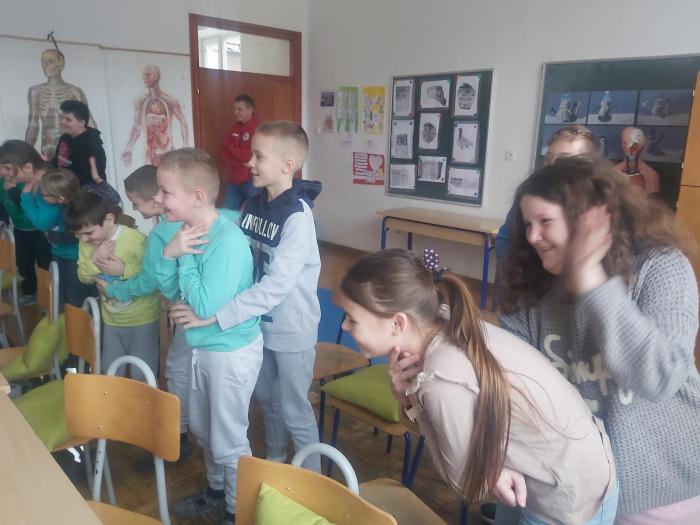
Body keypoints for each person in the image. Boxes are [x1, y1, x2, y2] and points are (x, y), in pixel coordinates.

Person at [341, 249, 618, 524]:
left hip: (567, 497)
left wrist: (413, 399)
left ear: (397, 323)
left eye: (352, 319)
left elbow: (466, 484)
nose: (343, 326)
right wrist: (406, 397)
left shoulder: (438, 380)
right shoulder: (447, 319)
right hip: (571, 469)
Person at [499, 156, 700, 523]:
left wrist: (593, 283)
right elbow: (509, 388)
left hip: (660, 492)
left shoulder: (662, 267)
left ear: (589, 219)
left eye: (545, 222)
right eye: (527, 224)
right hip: (572, 490)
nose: (532, 237)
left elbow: (660, 377)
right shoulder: (530, 289)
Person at [171, 122, 323, 473]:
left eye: (259, 156)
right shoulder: (253, 205)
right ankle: (276, 458)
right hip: (254, 324)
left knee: (294, 408)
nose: (249, 162)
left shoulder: (298, 217)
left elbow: (275, 286)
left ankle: (314, 478)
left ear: (287, 165)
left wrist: (217, 316)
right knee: (267, 398)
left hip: (291, 329)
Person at [154, 148, 261, 525]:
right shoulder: (186, 234)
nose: (158, 199)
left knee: (228, 438)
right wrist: (169, 254)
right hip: (202, 346)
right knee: (202, 429)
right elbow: (172, 293)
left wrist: (182, 257)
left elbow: (201, 305)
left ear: (197, 196)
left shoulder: (226, 241)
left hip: (230, 352)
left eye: (165, 191)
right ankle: (217, 491)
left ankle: (237, 510)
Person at [66, 192, 160, 380]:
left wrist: (124, 269)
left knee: (142, 373)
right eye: (78, 235)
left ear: (108, 220)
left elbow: (154, 276)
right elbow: (83, 277)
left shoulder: (136, 240)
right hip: (111, 319)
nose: (83, 239)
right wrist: (94, 261)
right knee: (110, 371)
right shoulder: (86, 244)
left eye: (88, 233)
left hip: (142, 319)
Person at [494, 125, 597, 261]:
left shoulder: (598, 203)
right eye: (548, 158)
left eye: (563, 159)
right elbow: (503, 242)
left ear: (587, 165)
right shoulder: (530, 198)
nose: (552, 165)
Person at [20, 167, 95, 308]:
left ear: (60, 198)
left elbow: (41, 224)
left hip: (73, 259)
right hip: (61, 254)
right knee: (63, 291)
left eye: (43, 193)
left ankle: (81, 319)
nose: (40, 194)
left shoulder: (54, 209)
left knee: (75, 296)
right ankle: (72, 315)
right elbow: (30, 215)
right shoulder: (56, 201)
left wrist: (26, 197)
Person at [0, 141, 52, 305]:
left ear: (28, 167)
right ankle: (33, 295)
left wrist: (15, 192)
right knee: (24, 264)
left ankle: (50, 300)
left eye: (8, 170)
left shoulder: (44, 183)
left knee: (47, 267)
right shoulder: (24, 180)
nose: (5, 175)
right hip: (22, 230)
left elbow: (39, 218)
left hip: (46, 236)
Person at [25, 49, 95, 160]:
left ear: (60, 64)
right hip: (47, 150)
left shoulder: (74, 91)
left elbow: (88, 121)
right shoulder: (35, 91)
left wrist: (94, 150)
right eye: (44, 62)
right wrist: (24, 153)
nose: (45, 66)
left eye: (50, 62)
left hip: (71, 149)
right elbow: (33, 125)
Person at [52, 100, 121, 205]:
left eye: (68, 119)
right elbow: (57, 161)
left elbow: (91, 179)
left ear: (82, 123)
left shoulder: (93, 147)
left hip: (84, 201)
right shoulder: (64, 138)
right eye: (62, 118)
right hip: (64, 192)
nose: (62, 122)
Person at [121, 65, 190, 167]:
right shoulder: (141, 102)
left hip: (166, 152)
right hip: (149, 154)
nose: (144, 78)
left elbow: (183, 123)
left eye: (147, 75)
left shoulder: (169, 101)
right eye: (144, 75)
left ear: (156, 76)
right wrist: (129, 148)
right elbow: (137, 127)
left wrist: (186, 147)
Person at [220, 94, 260, 210]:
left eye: (239, 109)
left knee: (253, 215)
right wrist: (241, 161)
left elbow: (251, 156)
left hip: (252, 181)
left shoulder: (259, 129)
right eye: (235, 109)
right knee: (228, 214)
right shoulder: (234, 128)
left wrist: (232, 149)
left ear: (250, 110)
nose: (235, 112)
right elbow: (224, 154)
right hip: (234, 180)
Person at [613, 127, 660, 194]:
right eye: (625, 143)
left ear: (641, 145)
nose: (629, 149)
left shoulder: (651, 176)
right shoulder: (613, 172)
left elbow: (652, 200)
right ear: (622, 145)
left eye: (634, 145)